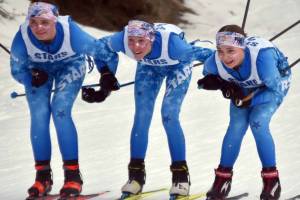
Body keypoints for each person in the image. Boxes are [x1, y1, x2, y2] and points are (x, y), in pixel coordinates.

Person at [81, 20, 213, 198]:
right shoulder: (120, 39)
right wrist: (105, 77)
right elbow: (98, 49)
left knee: (169, 116)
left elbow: (212, 57)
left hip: (178, 65)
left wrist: (221, 78)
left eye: (141, 41)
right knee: (142, 117)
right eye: (131, 41)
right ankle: (135, 177)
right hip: (148, 66)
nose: (135, 47)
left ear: (151, 39)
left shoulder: (176, 47)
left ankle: (180, 177)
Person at [10, 2, 118, 199]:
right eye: (33, 22)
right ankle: (42, 177)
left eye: (44, 22)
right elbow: (17, 70)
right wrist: (30, 77)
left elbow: (103, 53)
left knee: (60, 110)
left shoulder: (71, 32)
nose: (38, 27)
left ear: (55, 21)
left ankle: (73, 176)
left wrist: (106, 74)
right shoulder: (23, 36)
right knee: (39, 115)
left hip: (70, 66)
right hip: (39, 70)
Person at [197, 24, 291, 200]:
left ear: (243, 48)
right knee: (236, 126)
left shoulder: (262, 60)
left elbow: (276, 89)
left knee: (258, 123)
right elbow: (205, 79)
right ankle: (222, 181)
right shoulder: (215, 61)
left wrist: (248, 100)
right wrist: (223, 85)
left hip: (273, 84)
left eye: (230, 51)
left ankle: (272, 182)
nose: (224, 57)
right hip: (244, 85)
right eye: (220, 51)